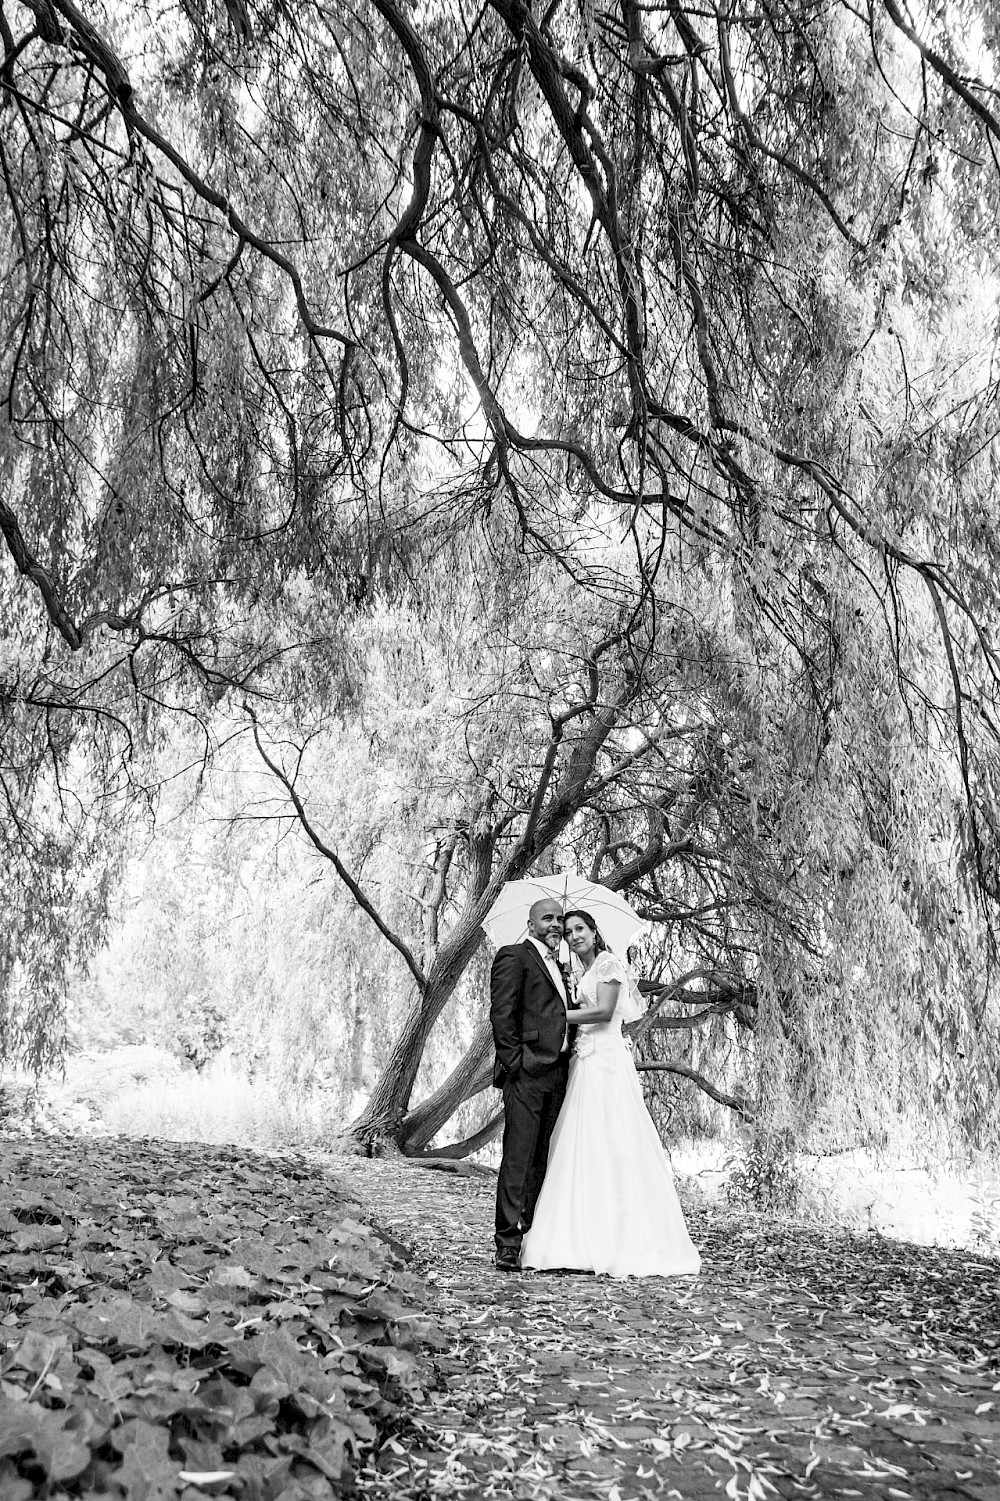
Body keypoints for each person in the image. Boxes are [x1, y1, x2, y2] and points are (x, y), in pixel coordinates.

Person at [520, 908, 701, 1278]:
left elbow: (603, 1013)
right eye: (568, 931)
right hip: (584, 1062)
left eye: (579, 929)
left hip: (605, 1062)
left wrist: (554, 1016)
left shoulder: (608, 964)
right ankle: (577, 1234)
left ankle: (623, 1237)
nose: (573, 936)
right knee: (580, 1143)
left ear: (594, 930)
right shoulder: (581, 972)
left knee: (613, 1140)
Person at [489, 898, 573, 1272]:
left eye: (559, 919)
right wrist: (516, 1063)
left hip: (560, 1073)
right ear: (531, 922)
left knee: (543, 1158)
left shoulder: (563, 965)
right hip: (527, 1073)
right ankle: (507, 1242)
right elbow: (502, 1014)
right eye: (547, 918)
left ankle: (534, 1233)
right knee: (519, 1156)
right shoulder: (514, 956)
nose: (555, 924)